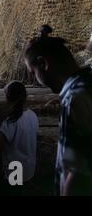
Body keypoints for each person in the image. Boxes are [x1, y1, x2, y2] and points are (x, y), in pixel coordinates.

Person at [24, 36, 92, 195]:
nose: (36, 79)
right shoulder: (86, 84)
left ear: (43, 64)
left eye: (33, 73)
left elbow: (79, 172)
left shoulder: (75, 98)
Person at [0, 81, 38, 194]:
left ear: (9, 98)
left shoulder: (10, 122)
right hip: (29, 166)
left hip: (15, 168)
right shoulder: (33, 115)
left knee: (15, 191)